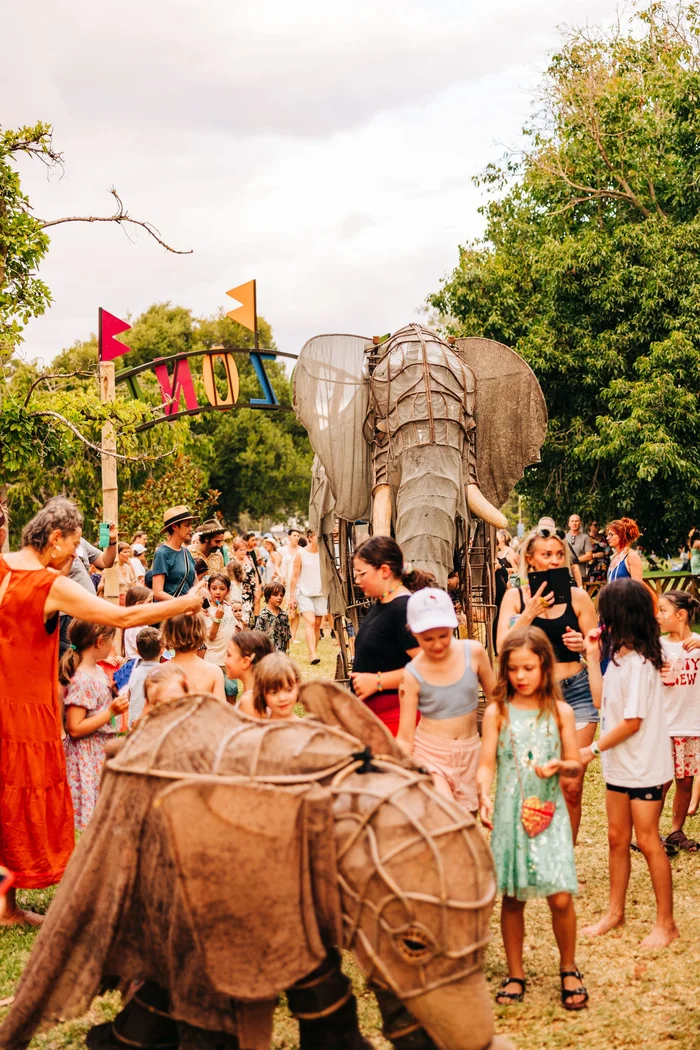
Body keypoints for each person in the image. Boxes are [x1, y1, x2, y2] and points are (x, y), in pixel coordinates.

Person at [0, 498, 204, 926]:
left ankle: (8, 906)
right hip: (25, 709)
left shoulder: (3, 564)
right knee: (20, 799)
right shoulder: (48, 584)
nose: (76, 555)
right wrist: (183, 606)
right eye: (74, 546)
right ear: (54, 540)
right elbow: (123, 616)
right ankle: (8, 907)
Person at [477, 626, 586, 1010]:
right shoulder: (497, 713)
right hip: (510, 814)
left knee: (559, 897)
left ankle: (569, 968)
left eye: (529, 668)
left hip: (550, 813)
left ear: (545, 667)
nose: (521, 676)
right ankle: (515, 972)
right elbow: (487, 763)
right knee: (512, 897)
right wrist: (483, 796)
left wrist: (561, 765)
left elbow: (573, 764)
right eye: (513, 669)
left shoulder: (561, 712)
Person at [580, 579, 678, 948]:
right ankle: (614, 913)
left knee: (648, 839)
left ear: (619, 616)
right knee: (616, 837)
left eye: (603, 611)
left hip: (644, 766)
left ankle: (666, 923)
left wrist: (589, 750)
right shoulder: (619, 659)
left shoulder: (640, 663)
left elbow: (632, 722)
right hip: (621, 765)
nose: (599, 618)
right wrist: (592, 657)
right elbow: (602, 700)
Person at [497, 525, 598, 842]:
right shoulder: (515, 598)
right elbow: (502, 648)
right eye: (546, 555)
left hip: (578, 691)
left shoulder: (579, 598)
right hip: (536, 697)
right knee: (535, 777)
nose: (554, 560)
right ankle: (537, 844)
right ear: (531, 559)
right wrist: (528, 614)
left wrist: (584, 645)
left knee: (572, 782)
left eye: (559, 555)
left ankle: (565, 856)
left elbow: (598, 647)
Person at [398, 588, 496, 813]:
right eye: (427, 639)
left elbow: (496, 700)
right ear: (413, 633)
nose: (437, 644)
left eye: (443, 635)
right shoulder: (412, 673)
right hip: (430, 754)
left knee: (466, 819)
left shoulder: (474, 652)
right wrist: (397, 766)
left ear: (453, 626)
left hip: (470, 750)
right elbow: (404, 736)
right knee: (447, 814)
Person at [349, 536, 424, 736]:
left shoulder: (404, 608)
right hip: (373, 715)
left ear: (384, 570)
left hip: (396, 715)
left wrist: (378, 681)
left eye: (361, 573)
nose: (357, 581)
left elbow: (428, 665)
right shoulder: (382, 603)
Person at [59, 620, 129, 831]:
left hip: (99, 751)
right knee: (92, 821)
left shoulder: (97, 670)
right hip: (87, 755)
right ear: (100, 642)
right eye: (112, 641)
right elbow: (75, 728)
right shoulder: (82, 679)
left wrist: (113, 692)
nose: (113, 646)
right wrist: (111, 712)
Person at [656, 591, 700, 852]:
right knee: (661, 782)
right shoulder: (658, 646)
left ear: (680, 615)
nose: (658, 615)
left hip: (691, 724)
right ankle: (650, 832)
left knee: (685, 781)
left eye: (663, 610)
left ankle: (675, 831)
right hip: (664, 725)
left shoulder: (698, 644)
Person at [59, 517, 119, 657]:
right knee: (70, 659)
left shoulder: (81, 542)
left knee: (85, 657)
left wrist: (112, 541)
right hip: (67, 615)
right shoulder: (50, 544)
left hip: (86, 613)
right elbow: (56, 578)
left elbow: (105, 561)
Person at [160, 614, 226, 701]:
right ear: (201, 633)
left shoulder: (159, 672)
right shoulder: (214, 672)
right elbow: (220, 710)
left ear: (167, 633)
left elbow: (149, 712)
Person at [289, 530, 328, 665]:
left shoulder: (325, 553)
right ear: (310, 537)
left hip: (321, 593)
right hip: (304, 593)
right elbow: (294, 576)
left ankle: (313, 651)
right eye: (318, 535)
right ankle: (312, 654)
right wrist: (292, 596)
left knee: (317, 625)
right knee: (310, 622)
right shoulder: (301, 554)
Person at [203, 572, 238, 700]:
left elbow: (234, 631)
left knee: (232, 694)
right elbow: (211, 636)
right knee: (215, 697)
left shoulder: (228, 608)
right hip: (213, 660)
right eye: (214, 588)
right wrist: (217, 619)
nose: (218, 592)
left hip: (228, 661)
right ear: (209, 589)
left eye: (222, 589)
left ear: (227, 591)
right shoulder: (206, 611)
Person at [151, 506, 197, 600]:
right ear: (175, 527)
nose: (191, 529)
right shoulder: (162, 554)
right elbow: (157, 592)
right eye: (187, 525)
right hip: (170, 612)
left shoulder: (186, 552)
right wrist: (181, 604)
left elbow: (195, 584)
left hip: (186, 612)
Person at [225, 630, 274, 712]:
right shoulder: (257, 694)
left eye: (229, 655)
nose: (225, 660)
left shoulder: (249, 702)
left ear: (245, 662)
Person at [126, 628, 163, 725]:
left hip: (135, 725)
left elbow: (128, 698)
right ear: (162, 649)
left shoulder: (133, 673)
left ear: (137, 651)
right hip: (156, 725)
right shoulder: (166, 672)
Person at [250, 651, 301, 720]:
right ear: (261, 693)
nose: (282, 698)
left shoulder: (308, 729)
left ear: (298, 685)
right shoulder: (261, 730)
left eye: (289, 690)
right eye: (274, 692)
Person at [255, 582, 292, 652]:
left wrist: (288, 650)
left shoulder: (284, 615)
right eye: (275, 595)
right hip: (267, 652)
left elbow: (287, 636)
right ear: (268, 596)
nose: (279, 598)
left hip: (281, 653)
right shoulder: (263, 615)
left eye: (281, 595)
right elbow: (258, 636)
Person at [281, 528, 302, 642]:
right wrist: (281, 577)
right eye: (294, 535)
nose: (296, 537)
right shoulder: (283, 550)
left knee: (296, 611)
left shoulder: (302, 551)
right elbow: (280, 565)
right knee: (286, 611)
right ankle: (285, 634)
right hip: (286, 583)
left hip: (299, 584)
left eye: (298, 535)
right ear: (289, 537)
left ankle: (293, 636)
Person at [122, 584, 155, 660]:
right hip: (139, 664)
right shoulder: (136, 628)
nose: (152, 604)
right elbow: (143, 651)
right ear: (138, 605)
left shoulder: (140, 625)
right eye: (149, 601)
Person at [606, 517, 644, 583]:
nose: (607, 538)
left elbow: (637, 587)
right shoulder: (614, 557)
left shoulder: (631, 556)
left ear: (621, 535)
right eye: (608, 535)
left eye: (611, 534)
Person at [565, 515, 593, 581]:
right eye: (572, 521)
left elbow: (589, 556)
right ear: (569, 523)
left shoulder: (585, 537)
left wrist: (575, 560)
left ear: (580, 523)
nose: (574, 523)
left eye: (576, 521)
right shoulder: (563, 538)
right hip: (565, 574)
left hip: (580, 575)